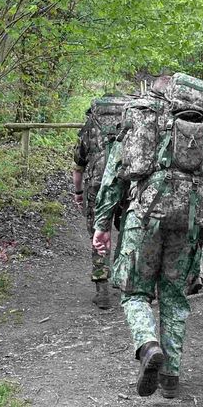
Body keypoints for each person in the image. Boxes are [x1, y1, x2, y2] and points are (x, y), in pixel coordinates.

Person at [93, 74, 203, 399]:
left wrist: (102, 224)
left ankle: (147, 345)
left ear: (156, 91)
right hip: (192, 213)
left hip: (147, 209)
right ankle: (171, 376)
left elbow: (115, 173)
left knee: (135, 292)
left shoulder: (144, 114)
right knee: (174, 294)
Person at [72, 94, 128, 309]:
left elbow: (78, 166)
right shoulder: (131, 123)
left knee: (99, 233)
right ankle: (125, 283)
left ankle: (102, 290)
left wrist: (78, 193)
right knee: (125, 232)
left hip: (97, 186)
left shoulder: (90, 126)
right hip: (125, 185)